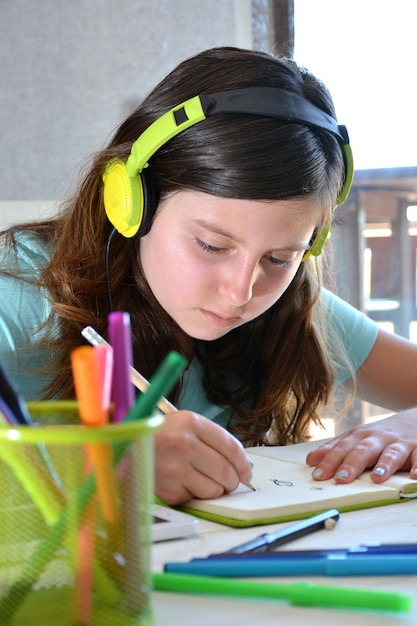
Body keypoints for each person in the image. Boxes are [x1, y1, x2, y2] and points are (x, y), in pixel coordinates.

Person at [1, 46, 417, 506]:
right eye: (212, 246)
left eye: (281, 257)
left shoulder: (291, 304)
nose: (241, 291)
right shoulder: (18, 295)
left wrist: (411, 423)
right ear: (131, 204)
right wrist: (98, 464)